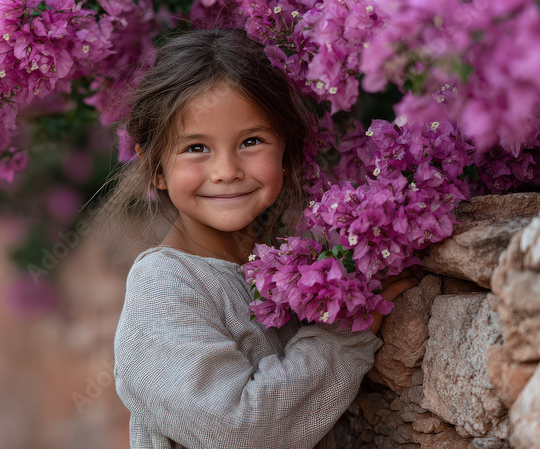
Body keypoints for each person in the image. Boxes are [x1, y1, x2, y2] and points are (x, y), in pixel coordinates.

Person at [101, 29, 417, 449]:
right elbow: (241, 429)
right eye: (196, 148)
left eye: (251, 141)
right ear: (155, 166)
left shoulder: (281, 266)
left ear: (285, 152)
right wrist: (344, 336)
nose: (226, 171)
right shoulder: (164, 287)